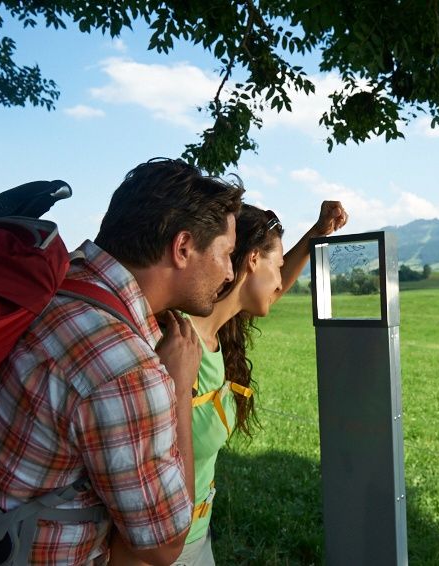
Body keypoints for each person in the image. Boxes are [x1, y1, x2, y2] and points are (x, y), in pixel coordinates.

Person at [0, 158, 244, 565]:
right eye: (227, 253)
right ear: (183, 247)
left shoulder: (61, 281)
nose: (229, 272)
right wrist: (177, 389)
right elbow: (162, 545)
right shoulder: (127, 371)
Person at [110, 201, 348, 565]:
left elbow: (268, 291)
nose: (281, 281)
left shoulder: (218, 332)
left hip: (198, 536)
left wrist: (315, 235)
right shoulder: (176, 346)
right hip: (155, 551)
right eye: (278, 266)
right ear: (252, 260)